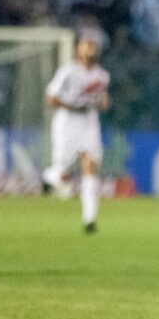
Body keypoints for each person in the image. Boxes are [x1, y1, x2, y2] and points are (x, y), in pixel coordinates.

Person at [41, 29, 111, 234]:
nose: (90, 48)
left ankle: (90, 219)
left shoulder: (102, 76)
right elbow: (50, 98)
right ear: (78, 48)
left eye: (93, 44)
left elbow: (102, 100)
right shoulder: (68, 71)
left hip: (89, 123)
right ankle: (48, 178)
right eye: (87, 44)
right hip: (67, 123)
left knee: (91, 166)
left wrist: (103, 103)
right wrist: (72, 106)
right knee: (62, 174)